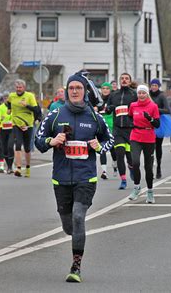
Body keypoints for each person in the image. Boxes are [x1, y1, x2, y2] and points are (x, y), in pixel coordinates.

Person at [35, 72, 114, 283]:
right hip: (60, 178)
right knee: (68, 225)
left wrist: (100, 147)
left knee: (79, 216)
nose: (75, 91)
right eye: (71, 88)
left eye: (79, 88)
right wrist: (52, 141)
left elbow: (109, 140)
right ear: (67, 92)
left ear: (85, 91)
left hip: (85, 178)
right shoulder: (55, 115)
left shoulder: (95, 117)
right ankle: (75, 235)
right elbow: (38, 140)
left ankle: (75, 267)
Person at [127, 85, 160, 203]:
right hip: (135, 135)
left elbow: (157, 124)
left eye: (143, 93)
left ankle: (150, 192)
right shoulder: (133, 105)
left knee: (148, 167)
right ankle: (136, 188)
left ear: (147, 94)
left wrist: (150, 119)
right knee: (135, 162)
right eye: (139, 93)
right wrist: (131, 124)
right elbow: (129, 116)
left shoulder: (153, 106)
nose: (141, 95)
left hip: (149, 137)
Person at [106, 73, 137, 189]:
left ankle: (131, 168)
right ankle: (123, 179)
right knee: (119, 154)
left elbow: (139, 108)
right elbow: (108, 110)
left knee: (130, 157)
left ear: (130, 81)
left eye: (126, 79)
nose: (124, 80)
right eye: (122, 79)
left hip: (130, 129)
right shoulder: (114, 95)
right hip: (117, 129)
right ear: (119, 81)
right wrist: (109, 108)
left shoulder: (134, 95)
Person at [7, 79, 39, 177]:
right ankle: (19, 168)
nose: (18, 89)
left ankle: (28, 168)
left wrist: (27, 105)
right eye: (17, 87)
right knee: (17, 145)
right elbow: (8, 102)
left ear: (24, 88)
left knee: (27, 148)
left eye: (20, 87)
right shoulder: (12, 95)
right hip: (16, 123)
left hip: (28, 124)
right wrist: (9, 109)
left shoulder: (30, 96)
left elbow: (36, 109)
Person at [149, 78, 170, 179]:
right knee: (150, 148)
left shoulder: (161, 95)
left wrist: (156, 109)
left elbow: (167, 110)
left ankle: (158, 168)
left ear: (158, 86)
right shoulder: (147, 94)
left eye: (155, 85)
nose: (153, 87)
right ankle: (150, 169)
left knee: (157, 147)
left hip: (159, 123)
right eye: (152, 85)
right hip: (148, 122)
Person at [97, 82, 117, 179]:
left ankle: (115, 162)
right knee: (102, 147)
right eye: (103, 88)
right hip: (101, 124)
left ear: (110, 90)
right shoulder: (98, 99)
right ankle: (104, 171)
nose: (105, 90)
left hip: (111, 124)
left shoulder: (113, 98)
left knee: (112, 147)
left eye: (107, 88)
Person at [0, 92, 14, 174]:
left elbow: (15, 116)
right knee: (4, 148)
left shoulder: (13, 107)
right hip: (2, 129)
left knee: (10, 146)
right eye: (5, 98)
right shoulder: (0, 107)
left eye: (8, 98)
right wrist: (0, 118)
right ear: (3, 99)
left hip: (12, 129)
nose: (6, 99)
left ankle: (10, 166)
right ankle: (7, 166)